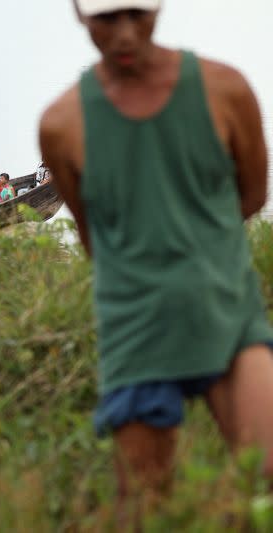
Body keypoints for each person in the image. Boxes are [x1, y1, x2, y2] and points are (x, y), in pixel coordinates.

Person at [39, 0, 273, 522]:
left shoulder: (224, 90)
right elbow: (93, 233)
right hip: (137, 328)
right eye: (107, 19)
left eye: (137, 15)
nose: (124, 34)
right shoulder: (63, 125)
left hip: (226, 310)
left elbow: (253, 195)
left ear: (159, 8)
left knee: (266, 475)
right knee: (145, 506)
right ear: (80, 14)